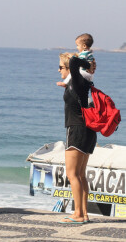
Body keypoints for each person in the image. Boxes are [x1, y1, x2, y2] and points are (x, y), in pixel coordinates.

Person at [58, 51, 96, 224]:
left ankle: (78, 214)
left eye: (60, 67)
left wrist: (86, 64)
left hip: (76, 130)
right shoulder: (82, 83)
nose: (59, 70)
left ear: (69, 68)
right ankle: (84, 214)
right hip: (88, 132)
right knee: (81, 174)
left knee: (72, 174)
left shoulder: (76, 79)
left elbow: (74, 60)